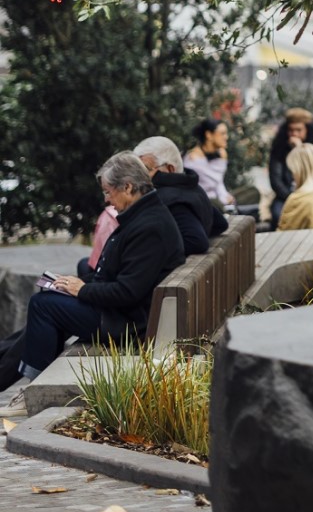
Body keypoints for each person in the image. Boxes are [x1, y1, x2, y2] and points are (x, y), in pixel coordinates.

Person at [0, 153, 184, 416]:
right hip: (125, 315)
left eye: (108, 192)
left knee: (44, 306)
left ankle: (32, 391)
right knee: (49, 297)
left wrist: (82, 289)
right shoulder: (146, 215)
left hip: (128, 325)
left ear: (128, 188)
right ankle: (35, 386)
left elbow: (127, 292)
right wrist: (75, 284)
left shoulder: (149, 226)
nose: (106, 200)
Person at [132, 136, 228, 258]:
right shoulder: (193, 188)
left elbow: (197, 242)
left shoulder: (169, 199)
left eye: (145, 169)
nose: (139, 177)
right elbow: (220, 223)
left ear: (170, 168)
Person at [267, 108, 313, 227]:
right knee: (278, 215)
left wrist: (300, 150)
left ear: (308, 129)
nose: (295, 134)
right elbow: (275, 180)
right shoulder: (280, 146)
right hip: (287, 196)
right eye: (291, 130)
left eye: (299, 130)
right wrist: (293, 198)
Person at [185, 117, 234, 208]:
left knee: (252, 191)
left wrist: (226, 196)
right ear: (209, 135)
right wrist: (224, 199)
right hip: (205, 202)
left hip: (219, 197)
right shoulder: (193, 159)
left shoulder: (222, 153)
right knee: (216, 203)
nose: (226, 137)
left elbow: (219, 182)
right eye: (222, 134)